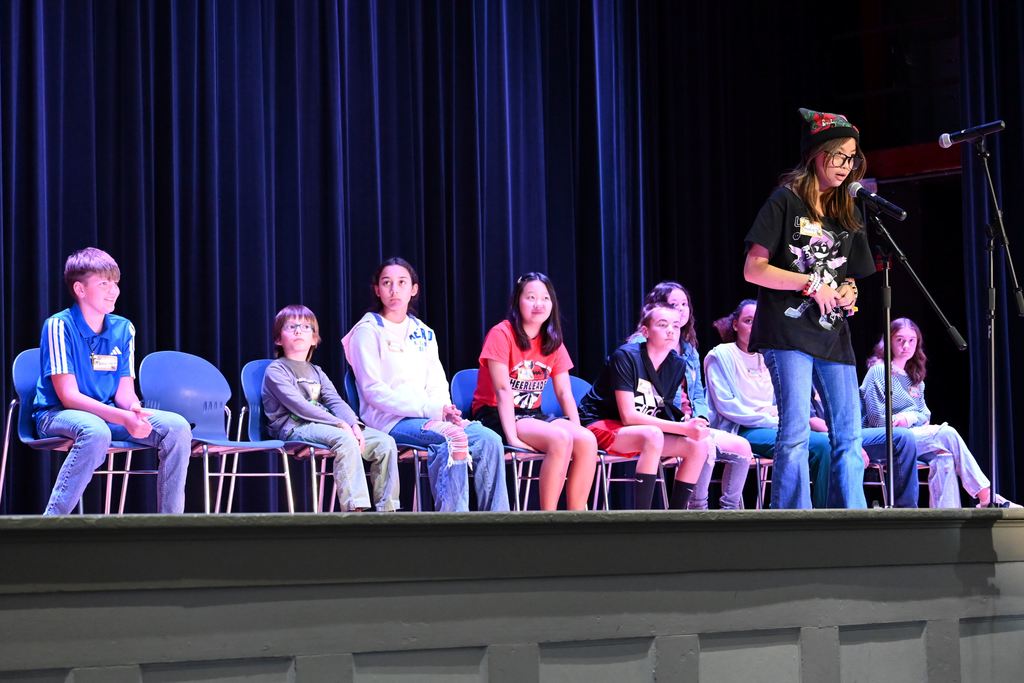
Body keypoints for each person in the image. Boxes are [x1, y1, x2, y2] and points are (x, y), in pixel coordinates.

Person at [742, 107, 876, 509]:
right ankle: (792, 524)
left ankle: (854, 522)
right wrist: (809, 283)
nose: (845, 165)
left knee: (849, 436)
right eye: (839, 155)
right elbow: (753, 268)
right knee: (796, 433)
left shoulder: (848, 210)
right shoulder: (784, 202)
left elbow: (851, 275)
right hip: (787, 333)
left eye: (851, 157)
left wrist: (850, 290)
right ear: (817, 155)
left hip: (833, 335)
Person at [705, 300, 921, 508]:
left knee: (890, 438)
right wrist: (775, 419)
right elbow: (728, 406)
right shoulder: (724, 355)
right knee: (820, 444)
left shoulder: (776, 355)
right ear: (735, 324)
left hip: (784, 424)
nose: (753, 327)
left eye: (756, 320)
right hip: (746, 429)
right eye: (748, 321)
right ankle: (818, 513)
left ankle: (899, 511)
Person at [33, 247, 192, 515]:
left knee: (177, 427)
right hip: (57, 414)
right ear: (80, 290)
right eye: (104, 283)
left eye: (115, 282)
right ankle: (51, 526)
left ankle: (170, 526)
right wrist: (122, 418)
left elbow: (124, 393)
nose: (113, 290)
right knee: (96, 432)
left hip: (108, 414)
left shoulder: (123, 328)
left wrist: (134, 410)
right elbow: (69, 396)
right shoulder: (59, 326)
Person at [343, 258, 509, 512]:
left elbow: (436, 381)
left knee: (489, 439)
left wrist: (445, 409)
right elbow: (373, 391)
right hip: (390, 421)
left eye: (401, 283)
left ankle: (499, 523)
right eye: (387, 283)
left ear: (414, 289)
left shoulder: (424, 332)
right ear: (377, 289)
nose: (394, 290)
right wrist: (432, 411)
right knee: (452, 437)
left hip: (430, 417)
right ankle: (454, 525)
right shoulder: (367, 331)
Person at [471, 272, 598, 510]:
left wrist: (577, 426)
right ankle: (548, 520)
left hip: (532, 414)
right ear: (518, 301)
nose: (539, 304)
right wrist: (511, 437)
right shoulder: (502, 333)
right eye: (531, 297)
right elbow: (502, 390)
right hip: (495, 414)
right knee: (559, 439)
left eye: (545, 298)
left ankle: (577, 515)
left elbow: (564, 392)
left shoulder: (552, 340)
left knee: (587, 440)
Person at [861, 317, 1018, 508]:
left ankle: (946, 521)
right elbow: (877, 421)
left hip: (910, 436)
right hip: (884, 440)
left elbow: (924, 415)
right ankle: (987, 496)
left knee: (945, 457)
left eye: (912, 340)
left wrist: (908, 417)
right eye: (900, 340)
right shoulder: (878, 371)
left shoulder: (915, 378)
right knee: (947, 433)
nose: (906, 345)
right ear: (889, 341)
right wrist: (908, 419)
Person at [625, 282, 753, 509]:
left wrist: (701, 418)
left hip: (690, 423)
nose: (682, 309)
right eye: (675, 304)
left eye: (685, 304)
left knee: (742, 447)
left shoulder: (689, 349)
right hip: (661, 423)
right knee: (702, 444)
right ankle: (697, 510)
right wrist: (684, 424)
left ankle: (730, 514)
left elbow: (697, 395)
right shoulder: (640, 347)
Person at [262, 304, 399, 512]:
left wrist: (353, 424)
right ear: (278, 339)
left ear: (314, 339)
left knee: (385, 442)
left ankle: (387, 510)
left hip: (328, 426)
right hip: (295, 427)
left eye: (305, 327)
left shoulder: (316, 371)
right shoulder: (276, 370)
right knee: (344, 439)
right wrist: (339, 424)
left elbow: (335, 401)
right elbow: (299, 406)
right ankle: (355, 511)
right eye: (291, 327)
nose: (299, 331)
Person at [579, 303, 712, 509]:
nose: (671, 330)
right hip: (600, 423)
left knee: (698, 446)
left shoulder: (677, 365)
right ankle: (643, 518)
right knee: (653, 435)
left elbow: (661, 408)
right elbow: (628, 416)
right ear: (645, 331)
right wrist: (683, 429)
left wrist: (689, 424)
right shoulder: (626, 357)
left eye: (676, 326)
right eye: (662, 324)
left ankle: (677, 518)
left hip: (639, 432)